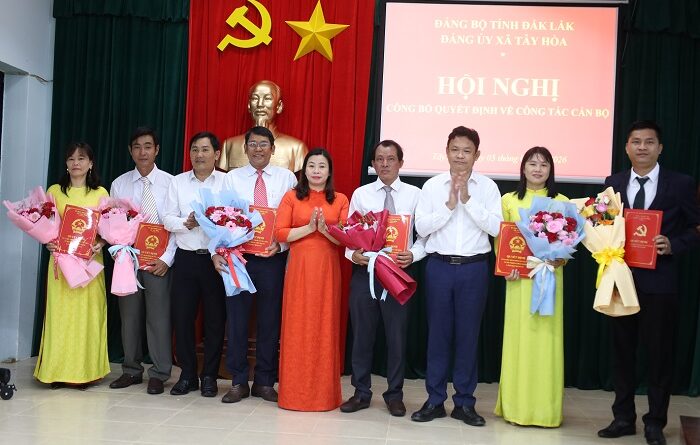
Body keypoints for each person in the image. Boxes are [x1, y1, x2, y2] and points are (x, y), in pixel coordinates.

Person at [598, 121, 700, 445]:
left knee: (659, 356)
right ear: (627, 147)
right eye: (636, 141)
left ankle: (655, 422)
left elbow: (696, 227)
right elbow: (602, 224)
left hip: (661, 283)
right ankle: (623, 418)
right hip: (621, 280)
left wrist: (674, 244)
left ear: (660, 148)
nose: (642, 147)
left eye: (649, 142)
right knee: (622, 353)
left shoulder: (681, 184)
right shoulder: (612, 183)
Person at [412, 126, 502, 425]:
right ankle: (435, 399)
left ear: (477, 154)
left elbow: (497, 228)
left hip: (474, 269)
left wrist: (468, 201)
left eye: (467, 151)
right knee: (438, 335)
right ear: (446, 151)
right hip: (439, 267)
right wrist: (449, 206)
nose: (460, 156)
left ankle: (464, 403)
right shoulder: (432, 186)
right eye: (455, 149)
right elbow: (421, 228)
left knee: (468, 336)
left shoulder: (488, 187)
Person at [339, 140, 426, 417]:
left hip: (399, 272)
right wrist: (352, 255)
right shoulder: (361, 194)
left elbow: (425, 236)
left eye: (390, 159)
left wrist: (413, 254)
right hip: (366, 272)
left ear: (401, 163)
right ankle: (360, 392)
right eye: (379, 159)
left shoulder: (415, 195)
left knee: (397, 337)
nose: (385, 164)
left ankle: (395, 394)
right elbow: (349, 232)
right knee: (362, 335)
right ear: (373, 164)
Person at [212, 126, 297, 404]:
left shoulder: (286, 178)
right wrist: (216, 251)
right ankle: (238, 381)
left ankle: (264, 381)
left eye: (263, 144)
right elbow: (219, 217)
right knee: (236, 320)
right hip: (238, 258)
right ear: (245, 148)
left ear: (273, 149)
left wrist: (281, 246)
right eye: (252, 144)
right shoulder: (232, 178)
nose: (257, 149)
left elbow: (292, 219)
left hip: (272, 259)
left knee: (269, 321)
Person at [494, 146, 568, 427]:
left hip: (549, 277)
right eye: (532, 163)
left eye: (544, 164)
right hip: (519, 280)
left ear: (551, 170)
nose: (538, 169)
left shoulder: (561, 201)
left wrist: (561, 258)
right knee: (518, 340)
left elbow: (568, 240)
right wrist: (506, 267)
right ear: (523, 168)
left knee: (546, 341)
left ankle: (546, 412)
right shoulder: (509, 200)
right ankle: (516, 408)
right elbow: (501, 240)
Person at [274, 148, 349, 411]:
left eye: (322, 166)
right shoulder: (291, 196)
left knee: (324, 324)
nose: (316, 171)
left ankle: (324, 396)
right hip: (299, 268)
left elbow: (345, 239)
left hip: (327, 269)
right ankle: (294, 394)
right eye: (312, 166)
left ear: (329, 171)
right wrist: (309, 228)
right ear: (304, 170)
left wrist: (325, 231)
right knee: (297, 325)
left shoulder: (340, 199)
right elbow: (280, 233)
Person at [35, 142, 110, 388]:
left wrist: (101, 242)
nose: (76, 163)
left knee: (86, 317)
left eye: (81, 158)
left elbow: (108, 228)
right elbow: (46, 225)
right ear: (66, 164)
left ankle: (84, 373)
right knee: (60, 317)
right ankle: (56, 372)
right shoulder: (54, 191)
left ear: (91, 163)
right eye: (71, 159)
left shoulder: (101, 193)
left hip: (89, 263)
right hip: (61, 263)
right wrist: (47, 241)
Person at [108, 127, 176, 395]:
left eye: (148, 146)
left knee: (158, 318)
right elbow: (111, 222)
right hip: (128, 261)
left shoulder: (171, 183)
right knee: (129, 318)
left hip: (158, 261)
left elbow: (175, 226)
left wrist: (167, 259)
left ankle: (159, 373)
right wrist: (119, 251)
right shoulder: (119, 184)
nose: (142, 152)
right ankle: (131, 370)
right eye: (137, 146)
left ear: (157, 150)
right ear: (130, 151)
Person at [163, 131, 227, 398]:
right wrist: (186, 223)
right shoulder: (177, 182)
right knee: (182, 318)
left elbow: (236, 216)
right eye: (195, 150)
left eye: (205, 150)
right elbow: (167, 218)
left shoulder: (226, 181)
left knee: (215, 320)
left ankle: (209, 376)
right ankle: (187, 375)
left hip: (216, 260)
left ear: (216, 154)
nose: (199, 155)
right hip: (186, 258)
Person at [219, 80, 308, 172]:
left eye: (267, 99)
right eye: (255, 98)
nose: (260, 104)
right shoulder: (230, 145)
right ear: (249, 105)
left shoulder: (296, 148)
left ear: (279, 106)